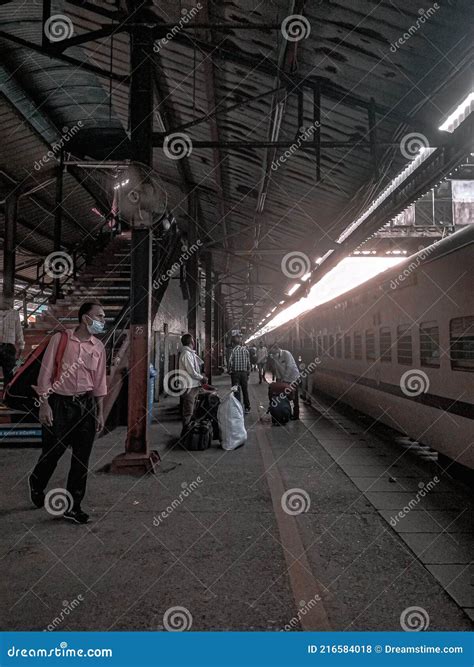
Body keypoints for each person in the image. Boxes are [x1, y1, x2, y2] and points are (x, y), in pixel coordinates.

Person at [29, 302, 107, 524]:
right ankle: (37, 481)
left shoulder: (98, 347)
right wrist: (44, 404)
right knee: (53, 451)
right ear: (85, 318)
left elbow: (99, 382)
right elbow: (44, 375)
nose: (103, 321)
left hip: (86, 406)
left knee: (81, 458)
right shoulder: (61, 339)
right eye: (99, 316)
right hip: (59, 404)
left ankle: (73, 506)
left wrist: (100, 412)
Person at [179, 333, 207, 434]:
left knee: (193, 409)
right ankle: (185, 433)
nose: (194, 342)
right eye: (193, 340)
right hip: (188, 386)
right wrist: (202, 378)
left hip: (194, 385)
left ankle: (190, 430)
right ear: (191, 342)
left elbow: (198, 363)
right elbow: (191, 371)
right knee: (188, 410)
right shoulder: (186, 354)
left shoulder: (190, 353)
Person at [269, 342, 300, 419]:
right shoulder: (274, 356)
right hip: (284, 379)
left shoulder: (286, 354)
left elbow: (289, 367)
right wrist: (279, 380)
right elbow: (277, 369)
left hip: (293, 378)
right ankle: (287, 413)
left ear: (276, 348)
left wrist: (285, 380)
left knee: (294, 397)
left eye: (272, 350)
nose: (271, 352)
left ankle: (296, 415)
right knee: (285, 397)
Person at [0, 295, 24, 388]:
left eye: (9, 301)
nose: (7, 302)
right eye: (4, 300)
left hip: (9, 348)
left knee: (9, 374)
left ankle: (7, 397)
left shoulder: (15, 314)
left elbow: (19, 330)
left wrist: (21, 346)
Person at [228, 334, 251, 413]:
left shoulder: (233, 351)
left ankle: (238, 408)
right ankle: (247, 407)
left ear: (233, 344)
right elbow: (248, 363)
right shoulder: (245, 350)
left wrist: (229, 370)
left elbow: (230, 362)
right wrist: (248, 372)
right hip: (244, 374)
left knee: (236, 390)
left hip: (235, 374)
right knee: (245, 390)